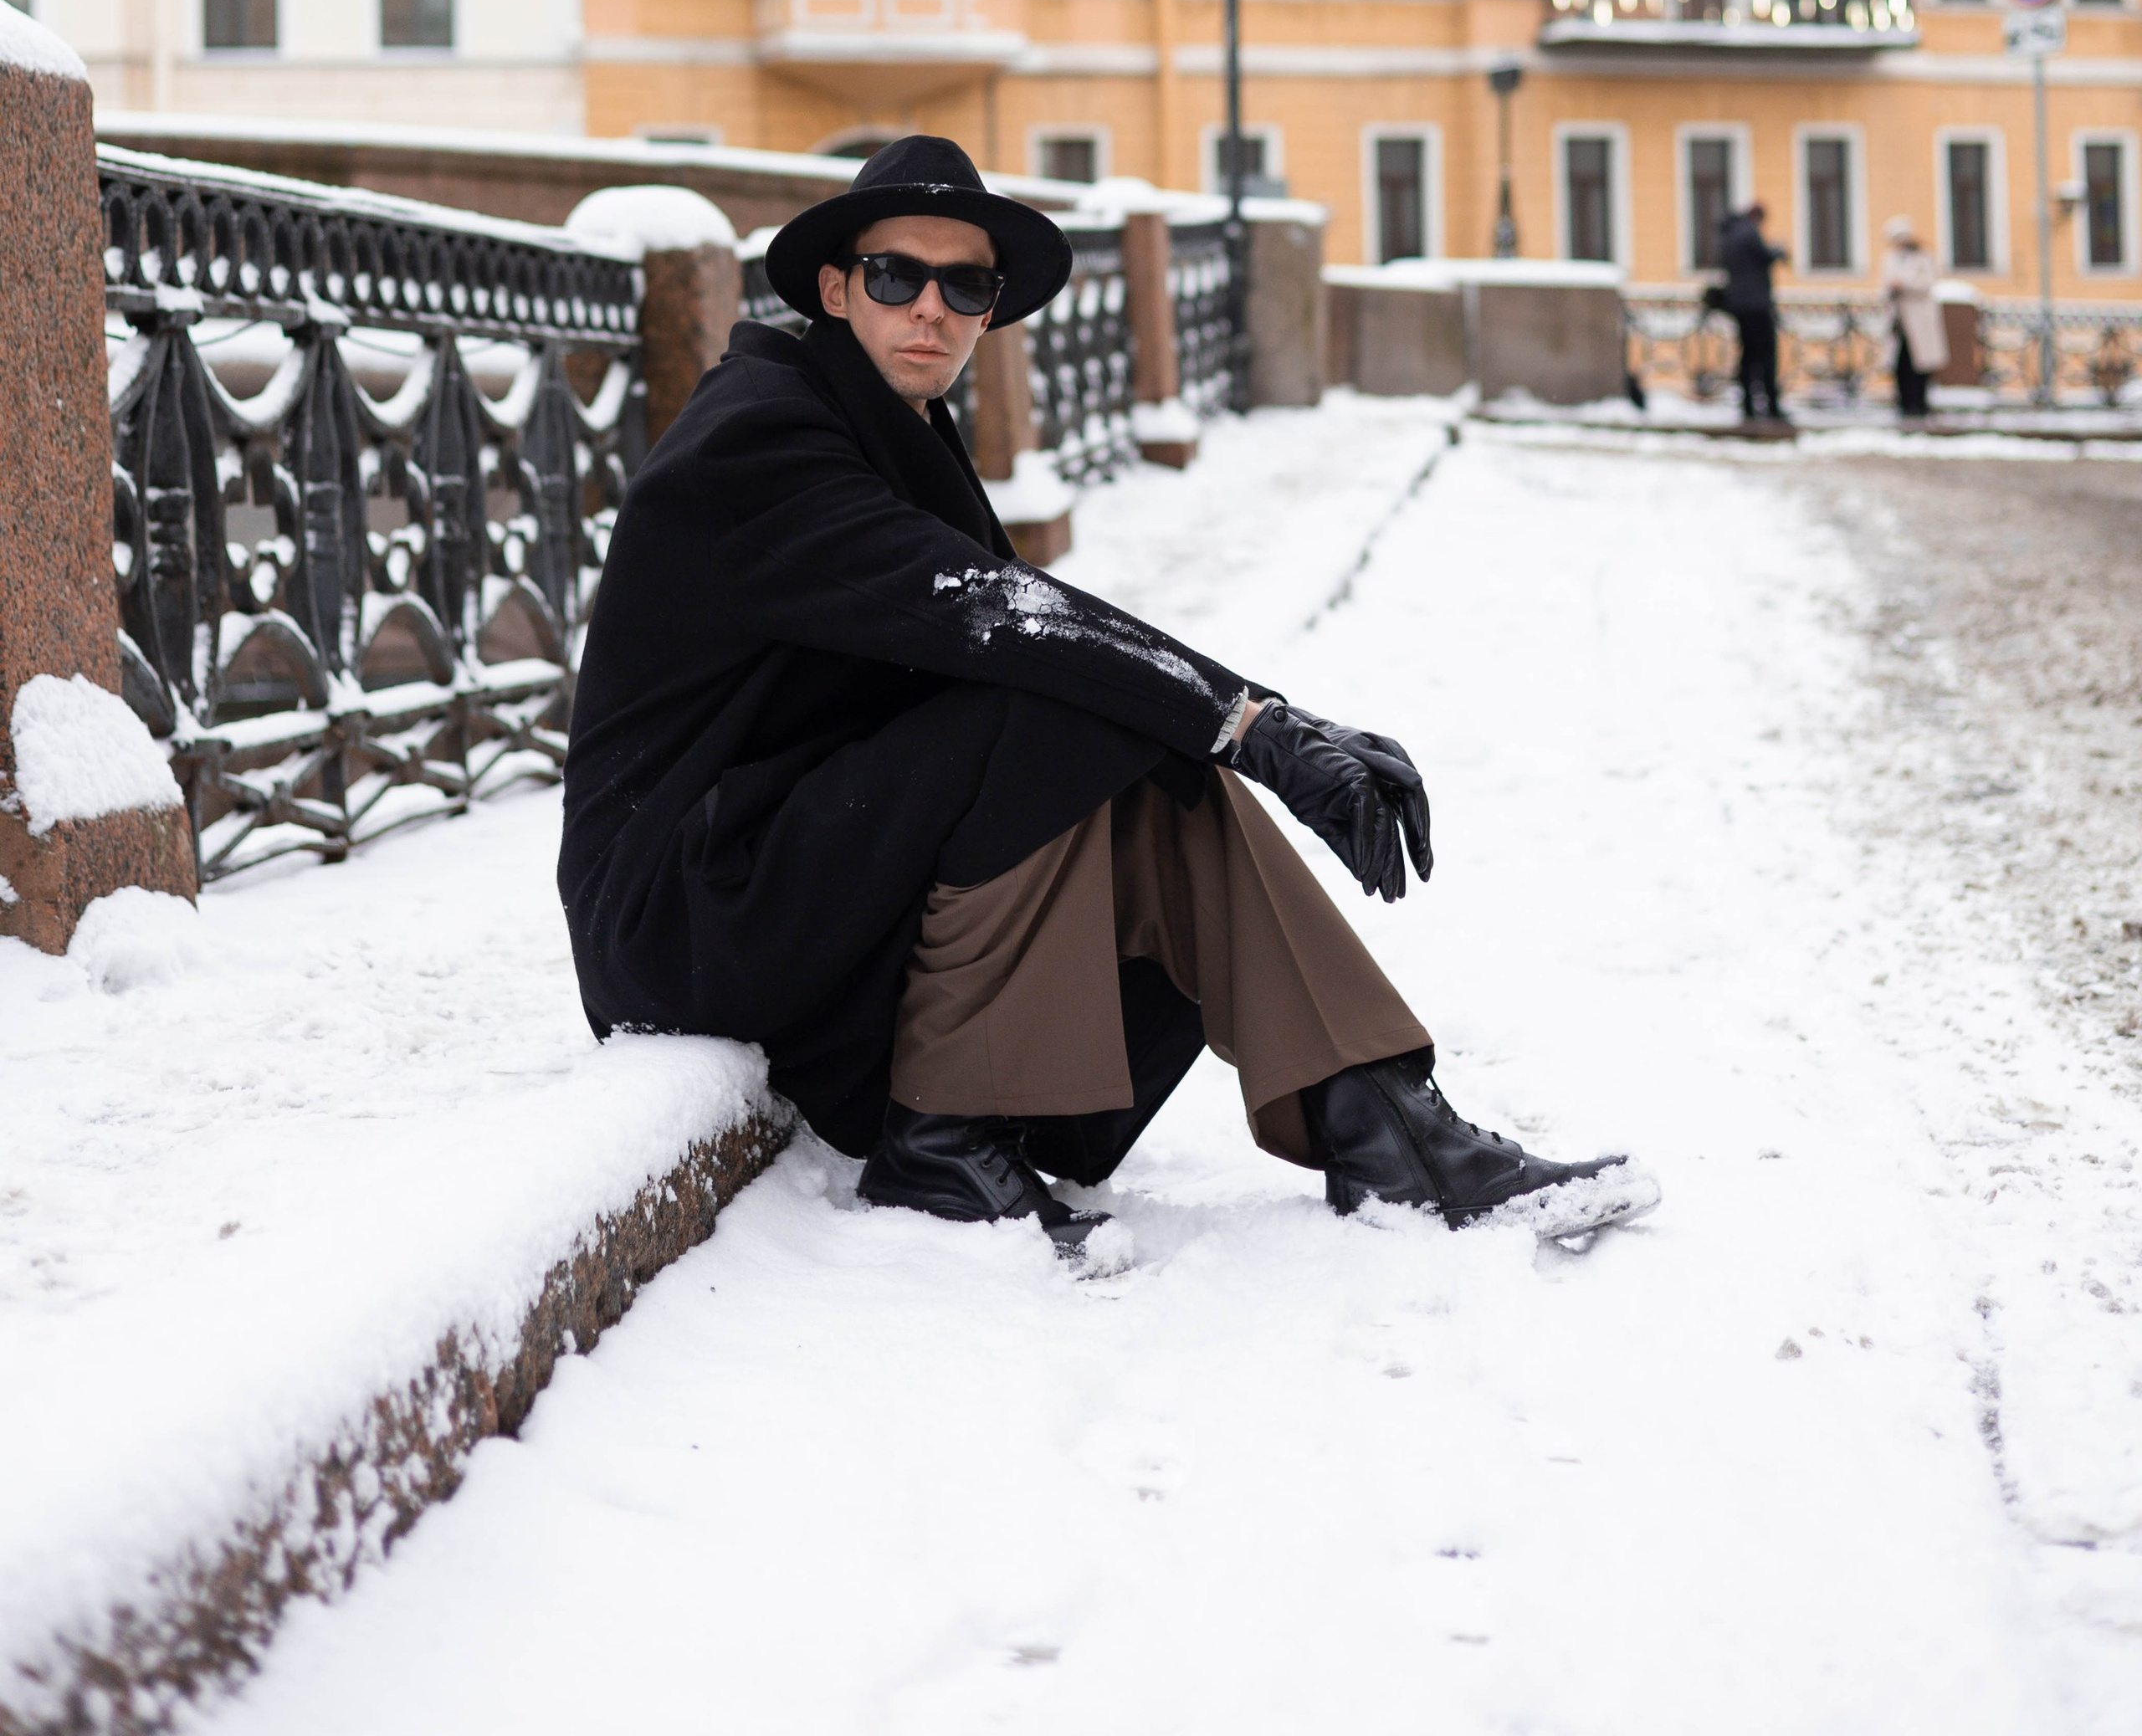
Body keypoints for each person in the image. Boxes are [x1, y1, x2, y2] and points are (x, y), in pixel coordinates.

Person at [561, 135, 1653, 1261]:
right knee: (1056, 713)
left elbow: (1019, 642)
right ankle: (942, 1137)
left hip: (808, 878)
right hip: (682, 914)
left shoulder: (890, 429)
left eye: (965, 286)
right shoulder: (761, 437)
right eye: (896, 276)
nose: (931, 308)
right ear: (835, 292)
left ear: (990, 310)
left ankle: (1380, 1118)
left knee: (1145, 753)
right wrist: (1261, 730)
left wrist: (1252, 729)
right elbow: (1001, 619)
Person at [1718, 200, 1787, 424]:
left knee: (1748, 356)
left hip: (1739, 304)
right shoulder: (1749, 233)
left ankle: (1748, 405)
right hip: (1756, 305)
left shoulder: (1731, 234)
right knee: (1765, 356)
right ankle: (1770, 405)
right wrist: (1778, 251)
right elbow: (1764, 256)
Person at [1881, 217, 1947, 422]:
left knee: (1919, 364)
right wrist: (1891, 289)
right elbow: (1884, 285)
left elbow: (1927, 282)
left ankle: (1919, 404)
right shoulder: (1890, 259)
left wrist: (1904, 284)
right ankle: (1904, 403)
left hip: (1919, 319)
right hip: (1899, 319)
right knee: (1900, 364)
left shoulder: (1922, 257)